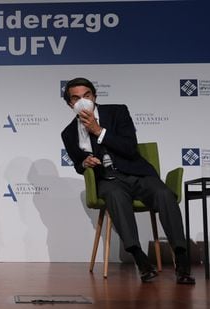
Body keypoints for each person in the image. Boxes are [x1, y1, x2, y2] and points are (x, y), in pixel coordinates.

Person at [61, 77, 195, 284]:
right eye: (76, 98)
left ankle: (182, 258)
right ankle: (140, 259)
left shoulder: (117, 112)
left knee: (164, 194)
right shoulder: (69, 133)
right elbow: (78, 163)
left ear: (94, 96)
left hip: (138, 174)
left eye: (87, 95)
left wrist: (98, 131)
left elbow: (130, 147)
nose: (83, 100)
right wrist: (84, 162)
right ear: (70, 104)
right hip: (108, 179)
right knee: (114, 196)